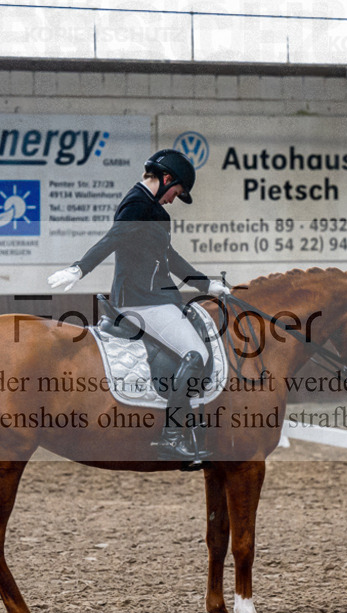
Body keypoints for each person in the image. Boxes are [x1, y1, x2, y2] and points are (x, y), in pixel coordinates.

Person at [48, 149, 229, 469]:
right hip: (143, 301)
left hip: (155, 297)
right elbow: (113, 239)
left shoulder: (153, 209)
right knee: (196, 354)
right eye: (176, 192)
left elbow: (169, 257)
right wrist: (78, 269)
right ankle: (173, 437)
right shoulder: (137, 204)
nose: (174, 199)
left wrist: (207, 286)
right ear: (167, 179)